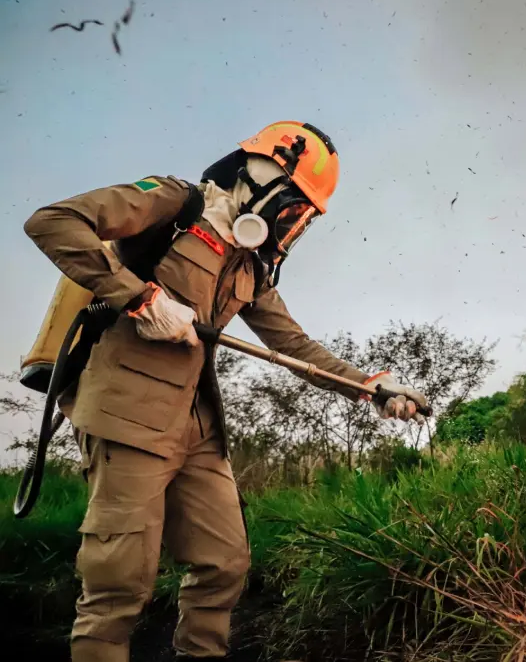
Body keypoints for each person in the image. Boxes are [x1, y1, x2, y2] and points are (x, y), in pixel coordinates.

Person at [22, 121, 427, 662]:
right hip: (125, 418)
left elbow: (294, 344)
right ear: (264, 181)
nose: (293, 226)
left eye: (303, 219)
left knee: (225, 563)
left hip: (197, 430)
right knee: (118, 588)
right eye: (294, 209)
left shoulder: (250, 264)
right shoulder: (173, 204)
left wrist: (372, 387)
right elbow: (52, 221)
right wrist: (139, 298)